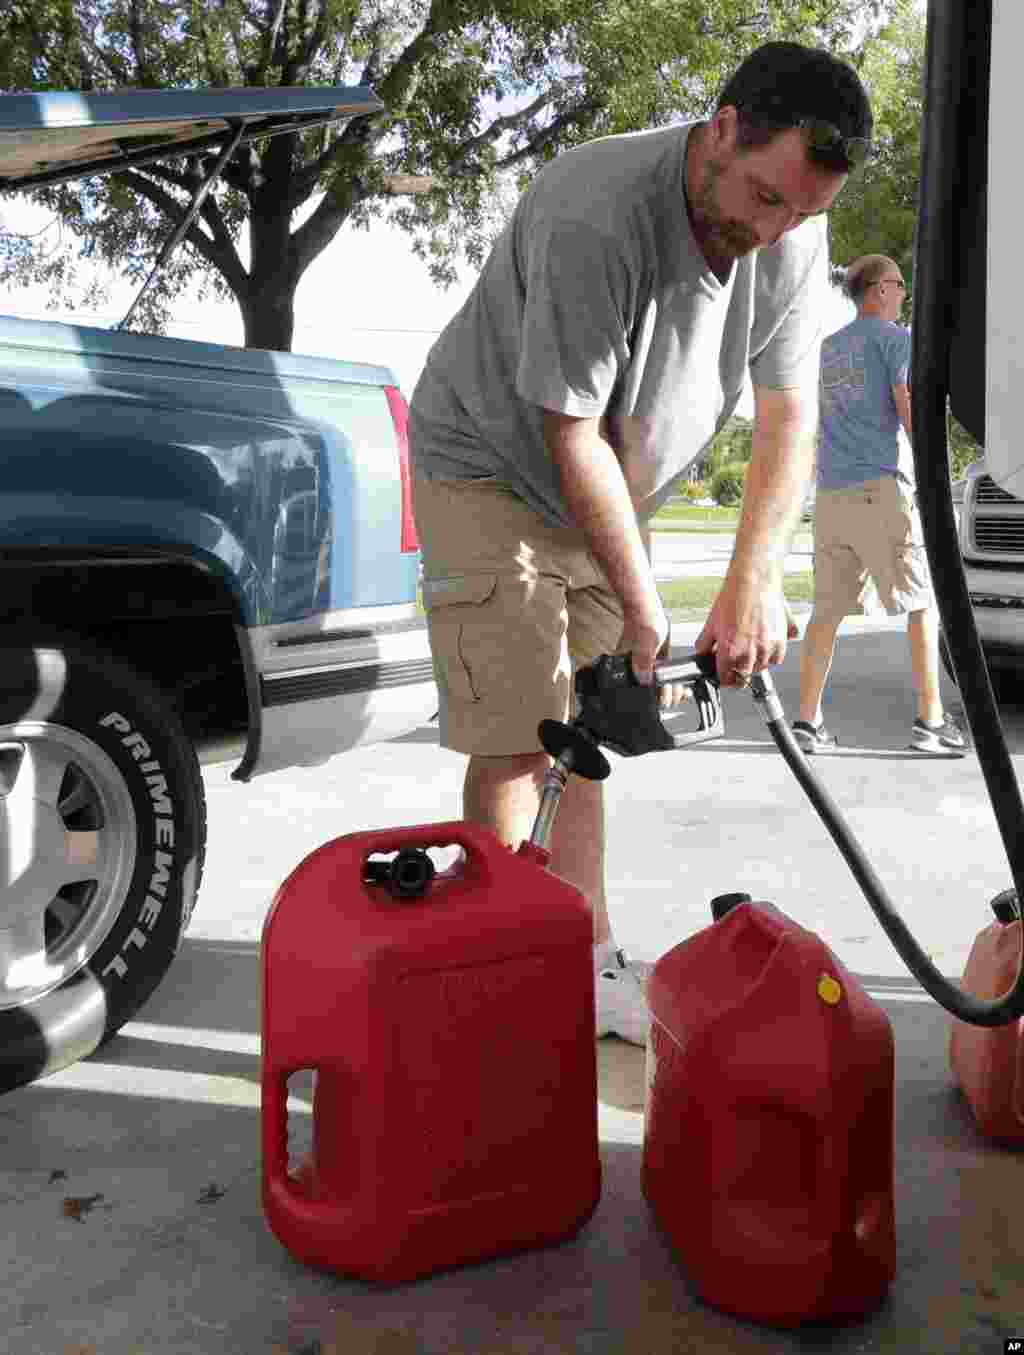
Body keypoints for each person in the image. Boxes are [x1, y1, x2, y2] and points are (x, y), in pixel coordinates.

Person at [409, 42, 873, 1045]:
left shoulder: (792, 234)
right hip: (492, 464)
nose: (774, 228)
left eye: (798, 210)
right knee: (522, 731)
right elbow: (566, 429)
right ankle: (502, 983)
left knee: (588, 729)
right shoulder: (596, 210)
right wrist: (648, 600)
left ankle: (584, 959)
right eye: (763, 196)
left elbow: (788, 411)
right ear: (719, 128)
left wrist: (753, 575)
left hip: (612, 479)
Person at [793, 255, 967, 756]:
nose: (903, 293)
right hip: (881, 490)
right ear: (876, 291)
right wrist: (938, 477)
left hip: (831, 496)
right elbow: (909, 408)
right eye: (897, 284)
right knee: (921, 603)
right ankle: (931, 722)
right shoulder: (896, 341)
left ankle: (807, 722)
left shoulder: (826, 351)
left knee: (826, 611)